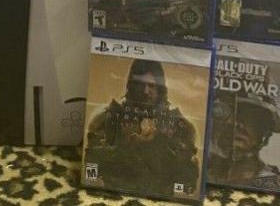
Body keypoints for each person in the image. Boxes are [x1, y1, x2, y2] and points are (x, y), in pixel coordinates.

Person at [84, 59, 199, 197]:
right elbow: (92, 166)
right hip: (117, 194)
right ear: (131, 86)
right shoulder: (110, 118)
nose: (145, 91)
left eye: (151, 85)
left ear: (160, 89)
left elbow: (188, 180)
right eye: (140, 84)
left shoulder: (180, 126)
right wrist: (123, 143)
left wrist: (158, 141)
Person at [209, 88, 280, 192]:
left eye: (249, 117)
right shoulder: (201, 171)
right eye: (225, 114)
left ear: (265, 132)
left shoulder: (277, 186)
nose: (235, 123)